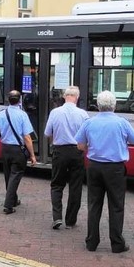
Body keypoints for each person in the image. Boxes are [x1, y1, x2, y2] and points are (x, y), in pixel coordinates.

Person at [74, 91, 134, 253]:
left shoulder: (89, 123)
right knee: (116, 205)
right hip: (115, 169)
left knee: (94, 204)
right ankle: (117, 243)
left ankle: (92, 242)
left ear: (98, 105)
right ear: (115, 106)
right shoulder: (121, 123)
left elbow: (80, 145)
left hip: (94, 166)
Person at [44, 86, 89, 230]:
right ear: (77, 97)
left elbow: (47, 133)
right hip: (76, 152)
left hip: (60, 151)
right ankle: (71, 221)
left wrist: (54, 142)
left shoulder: (55, 112)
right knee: (75, 187)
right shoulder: (83, 114)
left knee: (57, 184)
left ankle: (57, 217)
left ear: (64, 96)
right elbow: (88, 135)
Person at [0, 90, 37, 214]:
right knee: (15, 176)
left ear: (8, 100)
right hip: (18, 150)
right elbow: (27, 137)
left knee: (8, 175)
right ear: (20, 100)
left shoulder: (1, 114)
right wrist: (32, 155)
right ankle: (8, 205)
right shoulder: (22, 115)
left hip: (5, 148)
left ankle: (13, 199)